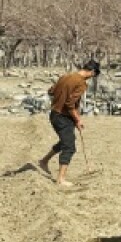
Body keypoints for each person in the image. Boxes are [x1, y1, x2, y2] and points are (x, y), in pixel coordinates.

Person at [38, 59, 101, 187]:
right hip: (63, 117)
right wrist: (77, 119)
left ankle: (44, 161)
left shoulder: (65, 76)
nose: (92, 78)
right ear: (92, 72)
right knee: (69, 147)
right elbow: (70, 104)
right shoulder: (81, 83)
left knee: (66, 141)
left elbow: (51, 91)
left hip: (55, 114)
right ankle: (60, 179)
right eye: (94, 75)